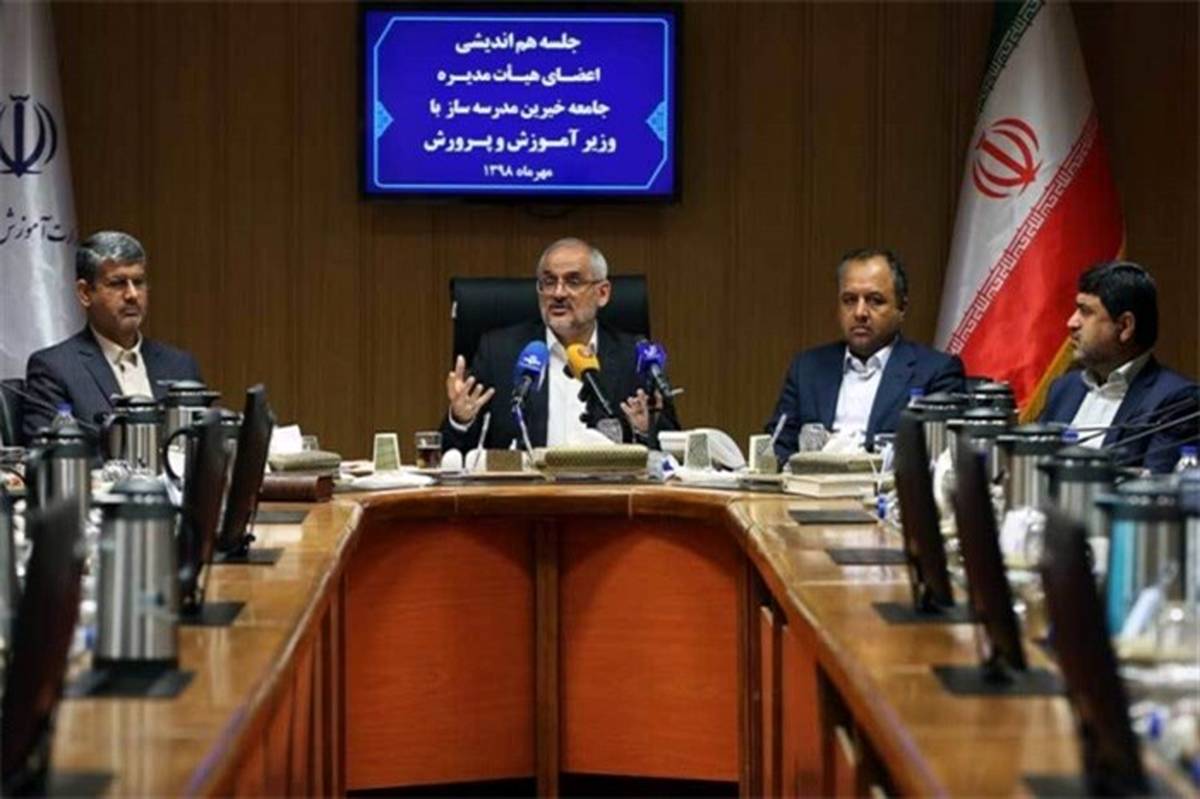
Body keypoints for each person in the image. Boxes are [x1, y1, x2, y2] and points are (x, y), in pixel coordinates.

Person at [441, 237, 677, 451]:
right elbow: (451, 454)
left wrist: (645, 430)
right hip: (526, 485)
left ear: (602, 293)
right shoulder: (500, 353)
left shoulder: (634, 357)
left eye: (573, 281)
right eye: (549, 281)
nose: (558, 293)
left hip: (609, 485)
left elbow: (673, 453)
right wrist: (461, 419)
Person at [764, 248, 965, 465]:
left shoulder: (936, 371)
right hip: (810, 485)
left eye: (875, 301)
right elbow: (778, 446)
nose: (860, 313)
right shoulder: (807, 368)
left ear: (901, 308)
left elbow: (941, 460)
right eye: (849, 300)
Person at [22, 231, 202, 439]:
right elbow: (48, 451)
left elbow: (206, 444)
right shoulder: (55, 369)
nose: (132, 295)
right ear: (85, 293)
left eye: (139, 282)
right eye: (117, 283)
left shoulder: (180, 365)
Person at [1040, 261, 1197, 473]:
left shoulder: (1177, 401)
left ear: (1124, 326)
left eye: (1086, 312)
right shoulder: (1063, 388)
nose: (1072, 323)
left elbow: (1157, 485)